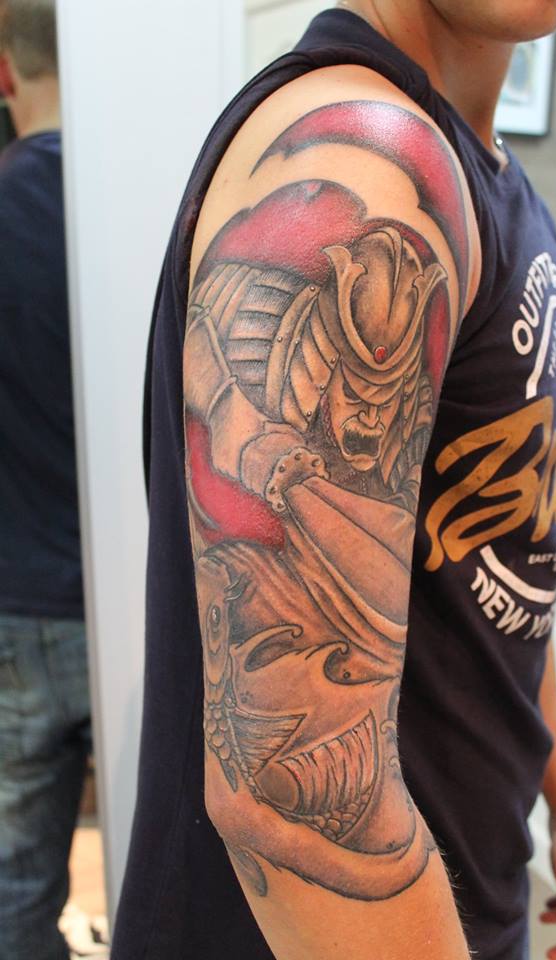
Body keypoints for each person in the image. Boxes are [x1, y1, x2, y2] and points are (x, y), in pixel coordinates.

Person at [112, 2, 556, 959]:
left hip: (460, 892)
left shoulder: (488, 175)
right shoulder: (371, 156)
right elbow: (281, 796)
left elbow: (502, 559)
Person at [0, 2, 91, 959]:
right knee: (164, 855)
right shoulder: (151, 205)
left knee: (14, 882)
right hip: (136, 604)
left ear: (4, 71)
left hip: (14, 600)